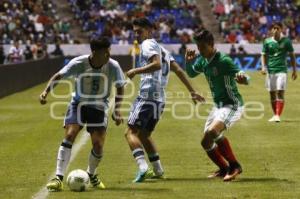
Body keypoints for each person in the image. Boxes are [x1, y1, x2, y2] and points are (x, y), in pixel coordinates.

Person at [39, 37, 126, 191]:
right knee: (70, 134)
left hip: (99, 108)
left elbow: (120, 87)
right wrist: (46, 92)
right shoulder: (79, 63)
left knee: (98, 145)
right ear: (94, 52)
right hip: (78, 104)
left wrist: (117, 109)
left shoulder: (113, 66)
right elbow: (59, 76)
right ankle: (58, 177)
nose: (108, 54)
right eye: (105, 52)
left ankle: (91, 174)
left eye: (108, 51)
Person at [125, 17, 205, 183]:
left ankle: (143, 168)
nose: (137, 35)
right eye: (135, 32)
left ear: (149, 30)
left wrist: (135, 71)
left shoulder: (147, 44)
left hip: (147, 95)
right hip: (160, 99)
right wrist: (192, 91)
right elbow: (179, 71)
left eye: (140, 31)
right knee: (145, 135)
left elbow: (156, 65)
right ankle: (158, 170)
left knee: (130, 132)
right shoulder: (164, 50)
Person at [185, 30, 249, 181]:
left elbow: (246, 77)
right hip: (218, 106)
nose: (200, 50)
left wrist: (243, 79)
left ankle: (235, 166)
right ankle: (223, 168)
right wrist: (188, 61)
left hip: (232, 104)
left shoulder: (224, 61)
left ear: (211, 44)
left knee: (213, 131)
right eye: (198, 47)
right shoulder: (203, 60)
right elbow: (191, 74)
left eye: (202, 47)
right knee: (205, 142)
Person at [261, 22, 297, 122]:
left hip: (282, 70)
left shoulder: (286, 41)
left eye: (277, 28)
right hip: (270, 71)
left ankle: (277, 115)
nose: (275, 30)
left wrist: (294, 70)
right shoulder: (267, 41)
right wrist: (263, 67)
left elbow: (292, 56)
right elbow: (263, 54)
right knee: (272, 94)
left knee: (280, 92)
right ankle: (275, 115)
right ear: (271, 30)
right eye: (274, 28)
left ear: (281, 29)